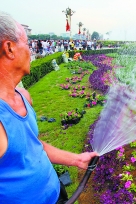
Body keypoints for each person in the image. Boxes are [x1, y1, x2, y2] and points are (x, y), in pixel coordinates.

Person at [0, 11, 99, 204]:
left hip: (56, 193)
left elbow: (35, 146)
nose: (31, 51)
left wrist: (77, 159)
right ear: (10, 48)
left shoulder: (24, 97)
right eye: (27, 43)